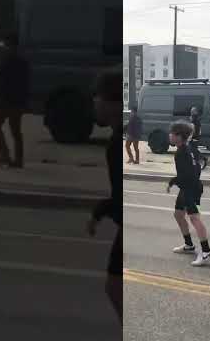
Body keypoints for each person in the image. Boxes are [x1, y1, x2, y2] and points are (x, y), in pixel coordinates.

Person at [86, 69, 123, 324]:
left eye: (96, 97)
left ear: (111, 103)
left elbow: (121, 198)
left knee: (115, 286)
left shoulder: (117, 144)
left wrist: (99, 212)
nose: (93, 103)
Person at [167, 120, 210, 266]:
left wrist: (173, 181)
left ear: (179, 136)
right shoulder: (188, 148)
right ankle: (189, 245)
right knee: (178, 214)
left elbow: (187, 173)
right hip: (188, 187)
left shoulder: (181, 152)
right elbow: (198, 166)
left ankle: (206, 252)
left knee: (194, 218)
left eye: (172, 133)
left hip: (190, 188)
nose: (169, 135)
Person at [0, 33, 30, 168]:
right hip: (18, 102)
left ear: (10, 45)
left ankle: (4, 155)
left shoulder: (6, 60)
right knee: (16, 131)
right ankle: (18, 160)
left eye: (5, 44)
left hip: (5, 101)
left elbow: (0, 82)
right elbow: (26, 83)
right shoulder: (23, 61)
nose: (4, 47)